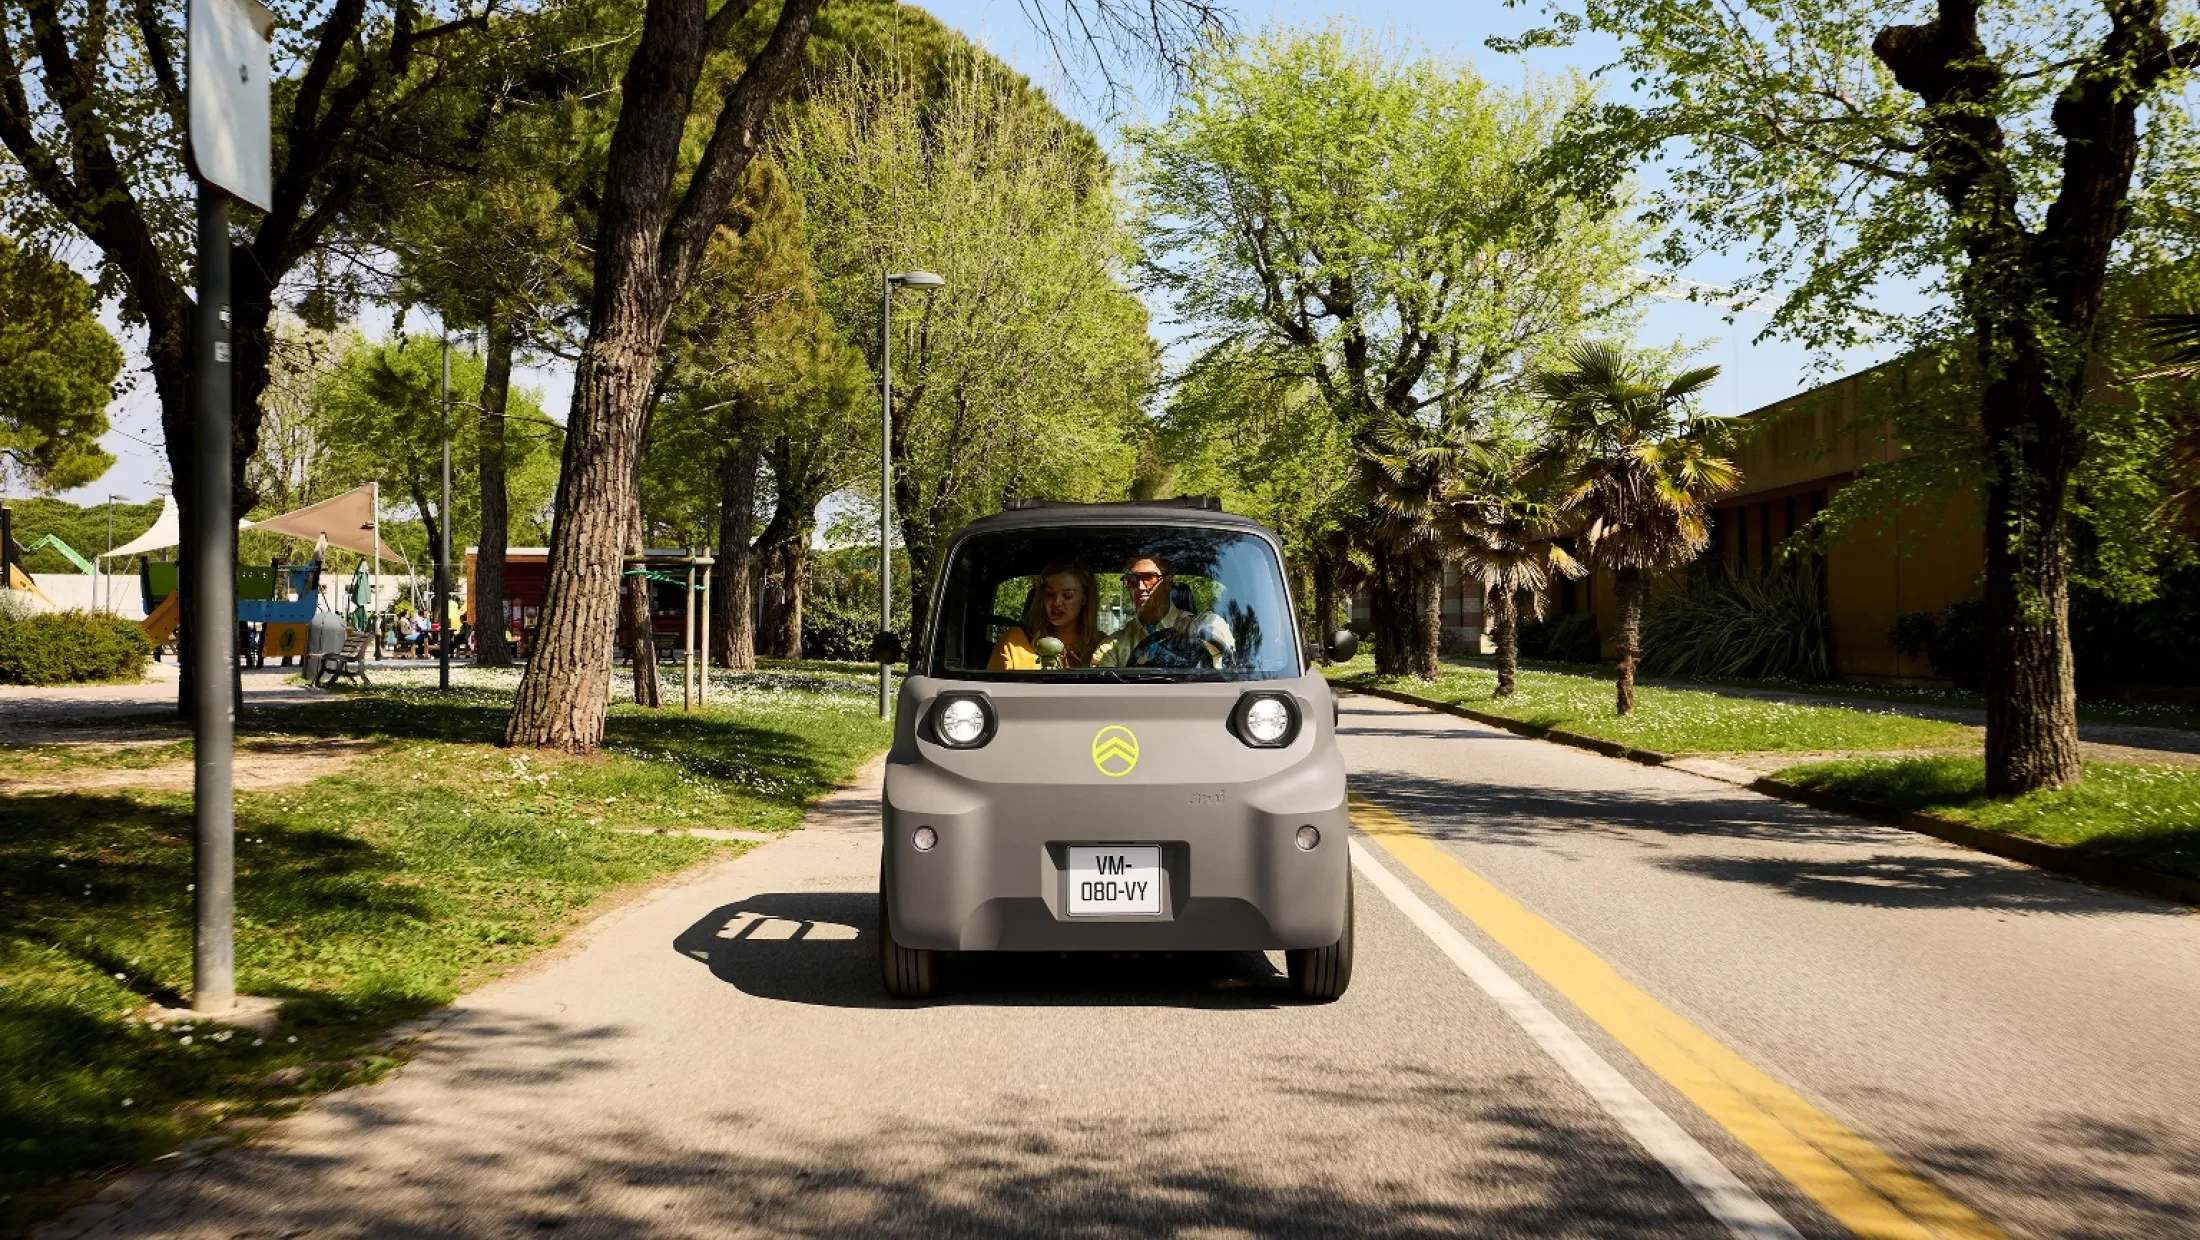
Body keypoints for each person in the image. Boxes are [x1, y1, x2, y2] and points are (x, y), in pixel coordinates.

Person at [1093, 552, 1234, 668]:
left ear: (1168, 582)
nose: (1140, 587)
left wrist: (1202, 632)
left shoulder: (1202, 622)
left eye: (1149, 578)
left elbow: (1221, 638)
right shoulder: (1113, 647)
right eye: (1132, 579)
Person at [989, 561, 1101, 669]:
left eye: (1067, 595)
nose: (1056, 602)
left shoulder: (1102, 646)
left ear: (1084, 598)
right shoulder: (1015, 643)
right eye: (1050, 594)